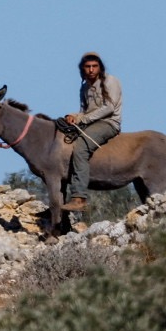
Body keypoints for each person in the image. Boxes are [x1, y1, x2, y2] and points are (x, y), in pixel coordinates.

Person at [60, 52, 122, 211]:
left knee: (80, 148)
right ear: (82, 69)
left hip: (108, 123)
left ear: (100, 67)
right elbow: (84, 111)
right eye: (87, 67)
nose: (91, 70)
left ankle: (79, 197)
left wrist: (83, 119)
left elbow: (109, 108)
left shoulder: (110, 81)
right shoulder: (84, 86)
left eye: (94, 66)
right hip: (91, 122)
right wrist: (73, 116)